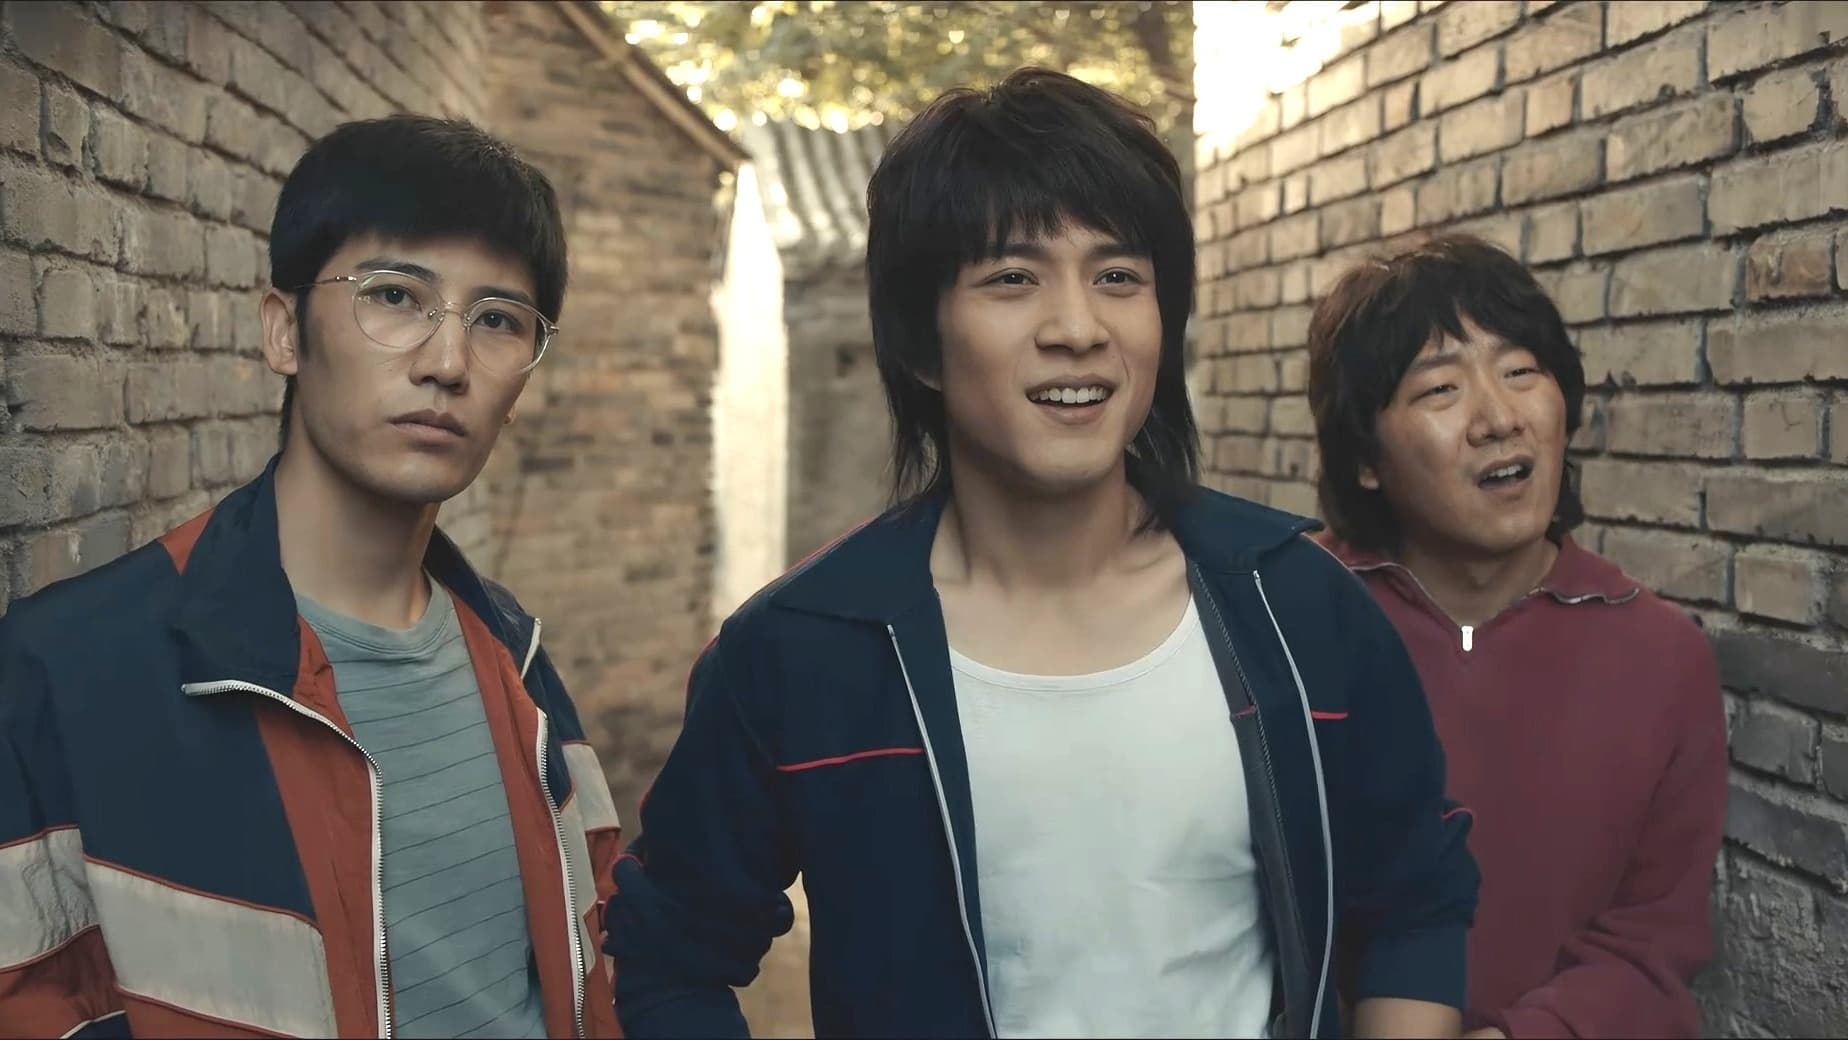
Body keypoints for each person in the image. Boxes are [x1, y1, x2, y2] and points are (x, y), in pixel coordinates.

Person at [606, 68, 1477, 1039]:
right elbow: (669, 956)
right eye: (1013, 279)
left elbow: (1414, 894)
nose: (1078, 329)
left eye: (1119, 277)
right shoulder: (801, 650)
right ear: (921, 344)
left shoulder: (1299, 605)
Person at [0, 116, 622, 1039]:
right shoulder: (69, 669)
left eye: (497, 320)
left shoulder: (515, 655)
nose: (448, 363)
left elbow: (601, 955)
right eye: (395, 296)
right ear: (284, 331)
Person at [1304, 234, 1727, 1038]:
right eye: (1440, 389)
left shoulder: (1661, 656)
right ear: (1365, 459)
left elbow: (1653, 943)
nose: (1499, 419)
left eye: (1522, 372)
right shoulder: (1290, 617)